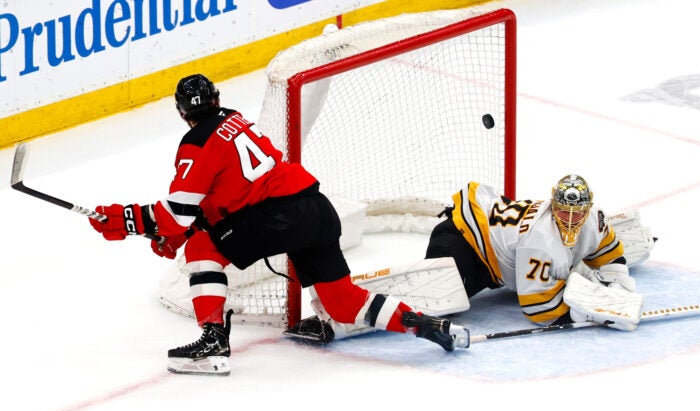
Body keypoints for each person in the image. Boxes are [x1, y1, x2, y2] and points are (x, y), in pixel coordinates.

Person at [87, 74, 465, 376]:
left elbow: (178, 213)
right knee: (342, 302)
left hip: (278, 216)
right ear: (217, 100)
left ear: (182, 111)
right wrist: (176, 229)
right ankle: (423, 324)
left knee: (203, 248)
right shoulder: (235, 121)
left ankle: (213, 341)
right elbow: (223, 197)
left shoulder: (196, 143)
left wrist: (125, 219)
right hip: (316, 209)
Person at [424, 175, 644, 331]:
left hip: (497, 234)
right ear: (553, 205)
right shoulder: (540, 240)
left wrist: (620, 284)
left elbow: (610, 254)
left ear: (588, 210)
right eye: (562, 211)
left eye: (576, 214)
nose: (568, 219)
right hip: (464, 243)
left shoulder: (597, 219)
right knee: (439, 302)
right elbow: (538, 308)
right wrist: (589, 312)